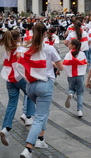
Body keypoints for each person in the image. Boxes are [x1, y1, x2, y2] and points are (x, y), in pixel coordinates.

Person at [17, 23, 64, 158]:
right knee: (39, 116)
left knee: (43, 112)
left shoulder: (26, 48)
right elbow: (61, 67)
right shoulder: (49, 49)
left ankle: (41, 139)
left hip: (30, 86)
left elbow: (20, 62)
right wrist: (55, 65)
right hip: (44, 84)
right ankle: (29, 148)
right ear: (45, 34)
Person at [0, 30, 35, 146]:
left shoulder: (7, 49)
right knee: (29, 93)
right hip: (20, 78)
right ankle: (28, 116)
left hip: (10, 79)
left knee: (12, 103)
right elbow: (23, 58)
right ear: (18, 38)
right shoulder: (20, 48)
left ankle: (6, 128)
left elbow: (5, 63)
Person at [63, 39, 87, 117]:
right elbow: (84, 63)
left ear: (73, 46)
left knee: (71, 88)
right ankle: (79, 110)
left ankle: (70, 94)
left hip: (71, 76)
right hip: (80, 76)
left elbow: (65, 64)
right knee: (80, 93)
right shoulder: (82, 54)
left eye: (69, 44)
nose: (68, 45)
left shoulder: (68, 54)